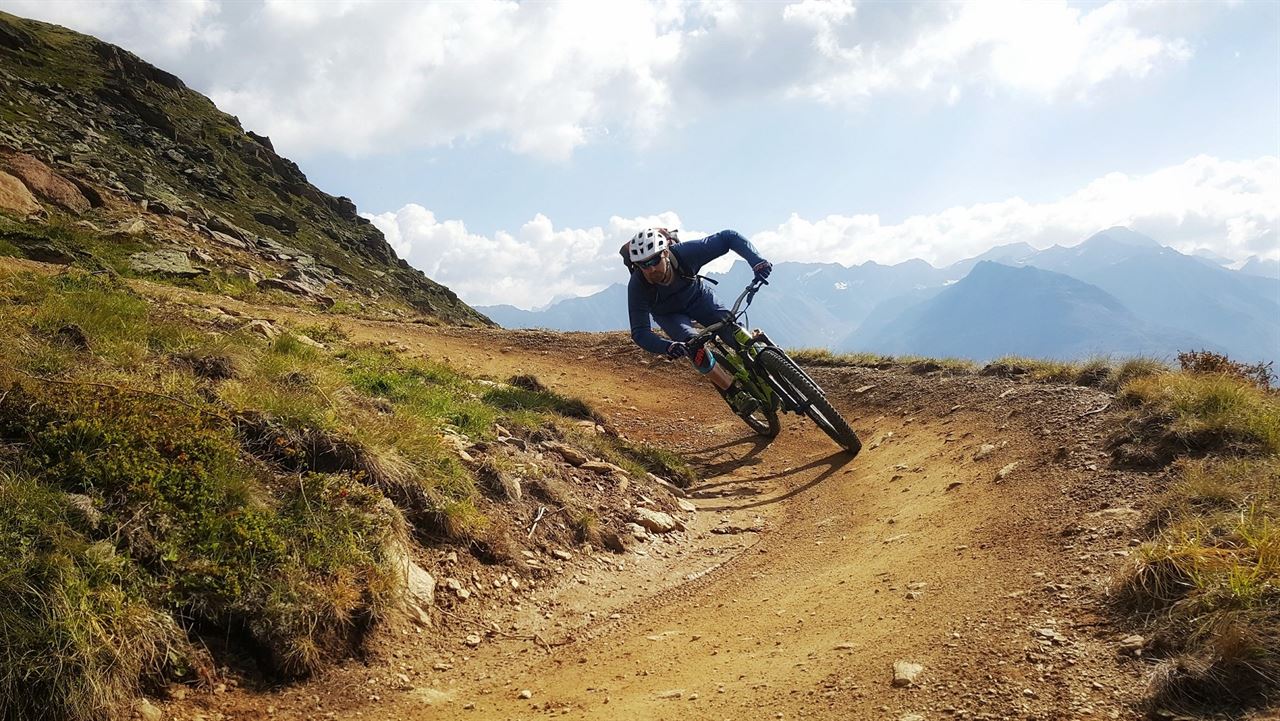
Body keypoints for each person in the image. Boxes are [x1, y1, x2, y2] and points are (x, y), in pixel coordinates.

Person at [625, 227, 773, 415]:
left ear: (665, 253)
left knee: (732, 329)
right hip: (669, 315)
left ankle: (768, 366)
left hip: (698, 298)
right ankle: (734, 393)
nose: (651, 268)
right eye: (643, 265)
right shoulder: (637, 286)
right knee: (692, 345)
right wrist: (668, 346)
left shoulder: (686, 254)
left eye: (654, 260)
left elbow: (728, 237)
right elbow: (639, 332)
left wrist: (756, 261)